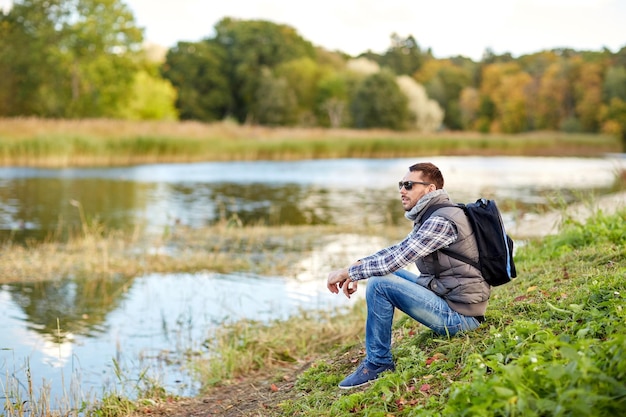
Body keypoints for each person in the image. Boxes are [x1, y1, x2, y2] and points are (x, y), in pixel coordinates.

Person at [326, 162, 490, 389]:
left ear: (430, 189)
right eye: (401, 184)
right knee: (385, 275)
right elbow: (398, 249)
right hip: (451, 300)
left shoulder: (441, 221)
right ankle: (378, 361)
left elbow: (398, 257)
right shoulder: (432, 215)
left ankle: (378, 363)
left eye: (409, 185)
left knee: (380, 284)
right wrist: (359, 264)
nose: (402, 190)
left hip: (462, 318)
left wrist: (349, 272)